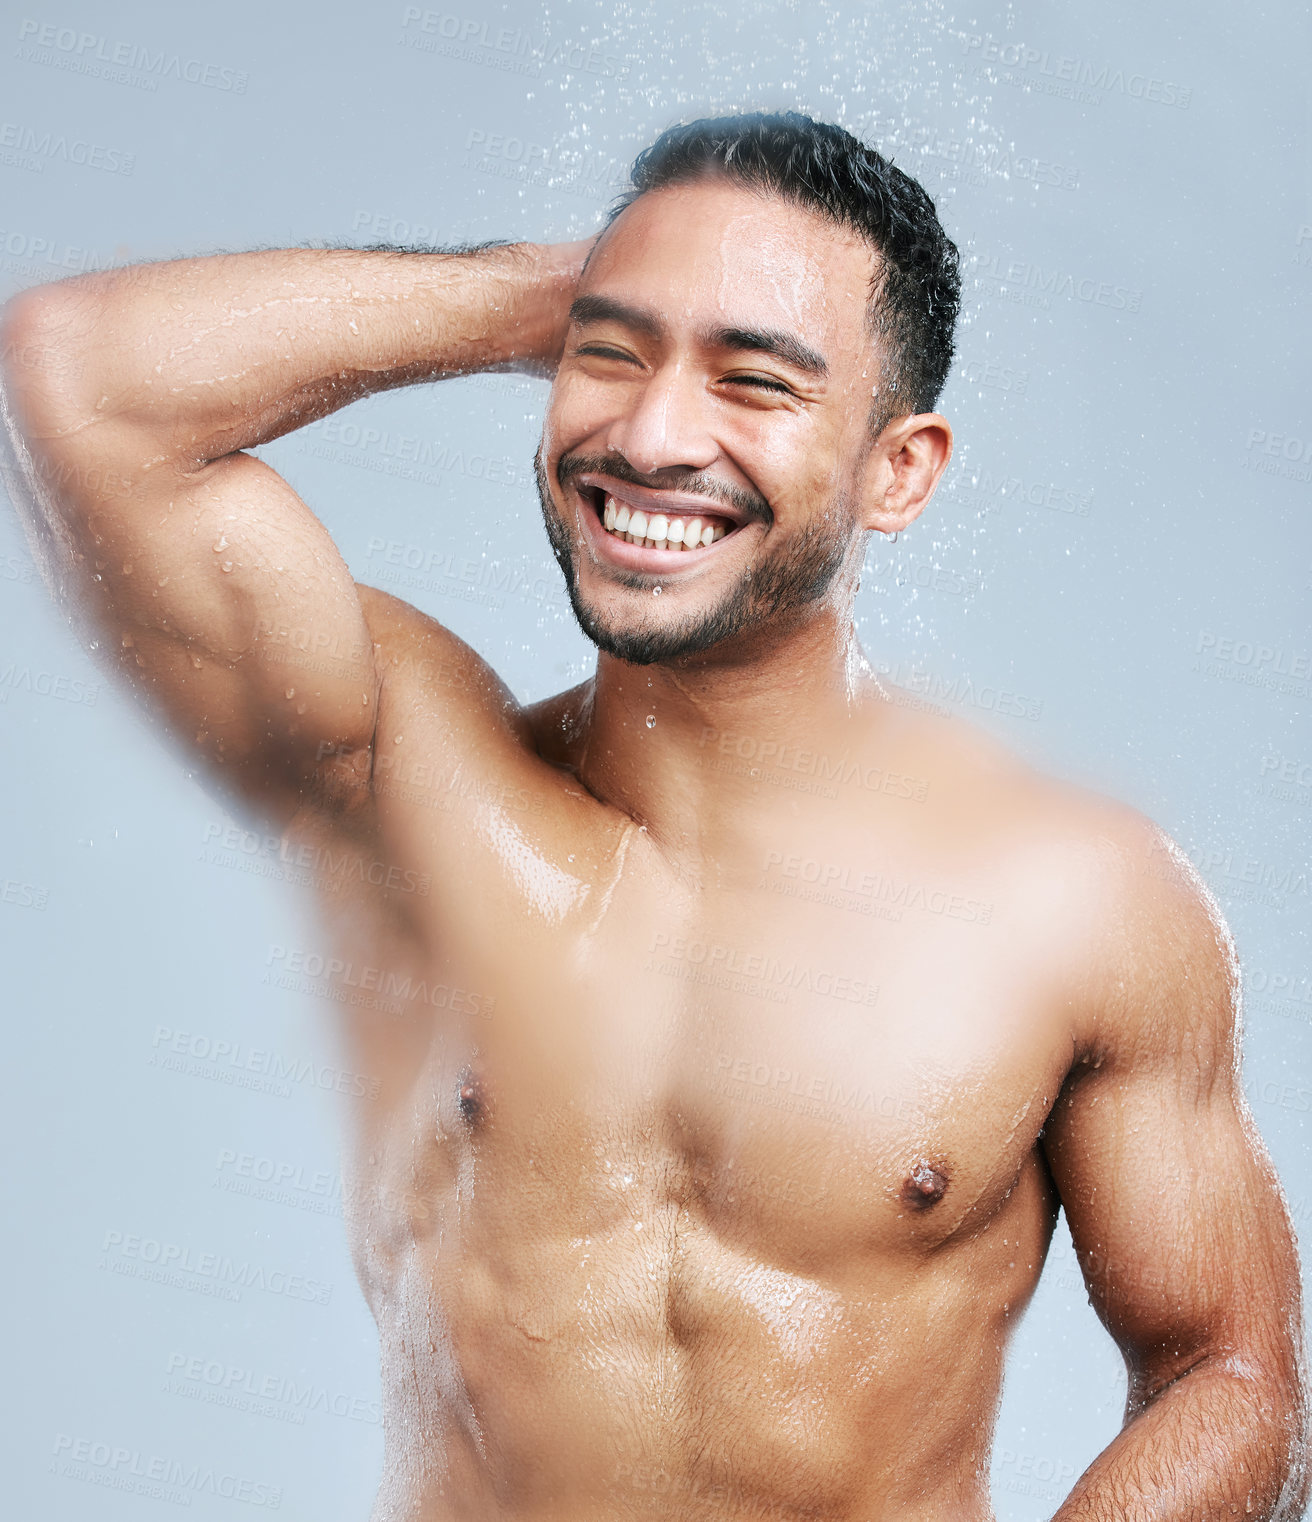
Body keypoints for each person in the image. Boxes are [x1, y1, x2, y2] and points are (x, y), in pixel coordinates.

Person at [1, 111, 1306, 1522]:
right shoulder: (405, 780)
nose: (655, 432)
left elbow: (1231, 1373)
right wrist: (553, 291)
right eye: (609, 355)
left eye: (754, 379)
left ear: (899, 469)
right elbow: (75, 375)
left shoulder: (1076, 901)